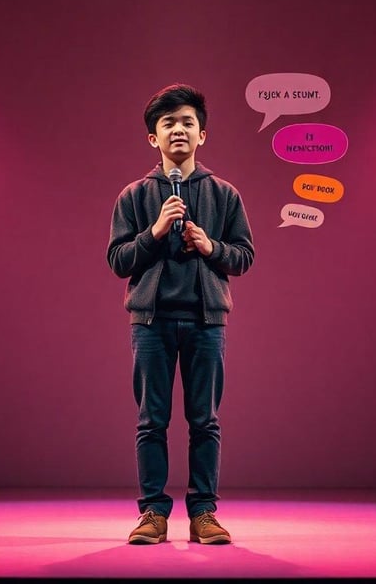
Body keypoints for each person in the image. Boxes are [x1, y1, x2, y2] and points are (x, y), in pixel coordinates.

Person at [106, 83, 255, 545]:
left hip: (206, 321)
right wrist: (154, 232)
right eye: (168, 123)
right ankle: (152, 513)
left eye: (188, 122)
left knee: (204, 421)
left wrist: (211, 247)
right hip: (150, 323)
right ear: (153, 137)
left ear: (202, 135)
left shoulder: (225, 194)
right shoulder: (134, 195)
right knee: (152, 421)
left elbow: (244, 256)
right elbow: (118, 261)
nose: (178, 130)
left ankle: (203, 514)